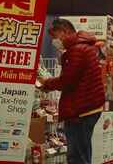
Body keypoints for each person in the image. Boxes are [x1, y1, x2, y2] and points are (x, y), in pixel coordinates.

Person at [39, 19, 105, 164]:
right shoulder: (83, 47)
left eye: (55, 36)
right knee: (82, 152)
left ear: (65, 31)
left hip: (81, 110)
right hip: (87, 107)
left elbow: (68, 80)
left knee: (77, 156)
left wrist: (46, 83)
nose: (54, 40)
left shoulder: (77, 50)